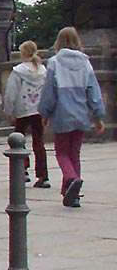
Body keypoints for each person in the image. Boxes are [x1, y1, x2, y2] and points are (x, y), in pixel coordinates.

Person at [39, 27, 106, 208]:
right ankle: (71, 194)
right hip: (81, 113)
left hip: (62, 113)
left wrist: (44, 113)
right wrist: (98, 115)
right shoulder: (86, 63)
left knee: (61, 152)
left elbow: (49, 92)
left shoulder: (54, 62)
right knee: (74, 152)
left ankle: (71, 178)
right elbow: (93, 91)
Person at [3, 41, 49, 188]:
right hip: (38, 109)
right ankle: (43, 175)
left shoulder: (18, 71)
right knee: (39, 142)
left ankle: (22, 169)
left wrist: (8, 110)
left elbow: (11, 92)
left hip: (22, 109)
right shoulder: (43, 70)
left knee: (19, 139)